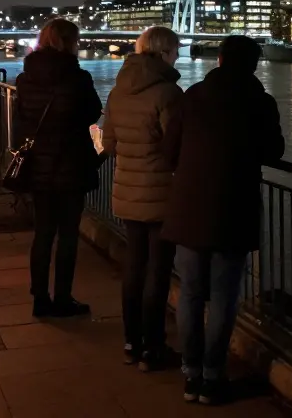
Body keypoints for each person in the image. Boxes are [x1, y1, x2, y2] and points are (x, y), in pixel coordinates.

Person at [163, 35, 285, 405]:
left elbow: (169, 152)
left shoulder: (191, 97)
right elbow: (273, 151)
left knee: (190, 294)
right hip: (234, 208)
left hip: (188, 208)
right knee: (223, 298)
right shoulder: (260, 102)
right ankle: (213, 377)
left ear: (218, 60)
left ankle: (190, 374)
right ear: (254, 65)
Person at [101, 26, 183, 370]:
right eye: (175, 51)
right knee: (158, 272)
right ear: (164, 53)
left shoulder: (118, 91)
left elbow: (106, 143)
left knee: (133, 267)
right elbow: (175, 145)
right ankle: (153, 347)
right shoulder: (168, 93)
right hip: (160, 193)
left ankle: (131, 341)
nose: (178, 56)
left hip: (126, 191)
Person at [14, 18, 103, 318]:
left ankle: (39, 298)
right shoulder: (78, 78)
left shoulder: (25, 79)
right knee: (67, 235)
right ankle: (63, 298)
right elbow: (93, 112)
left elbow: (22, 120)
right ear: (69, 42)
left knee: (42, 234)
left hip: (39, 163)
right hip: (71, 164)